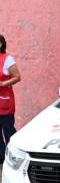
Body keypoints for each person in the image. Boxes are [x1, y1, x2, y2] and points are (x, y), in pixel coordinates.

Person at [0, 35, 21, 164]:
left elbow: (18, 77)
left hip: (5, 102)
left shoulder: (7, 59)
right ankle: (2, 160)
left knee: (8, 130)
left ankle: (14, 157)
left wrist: (3, 84)